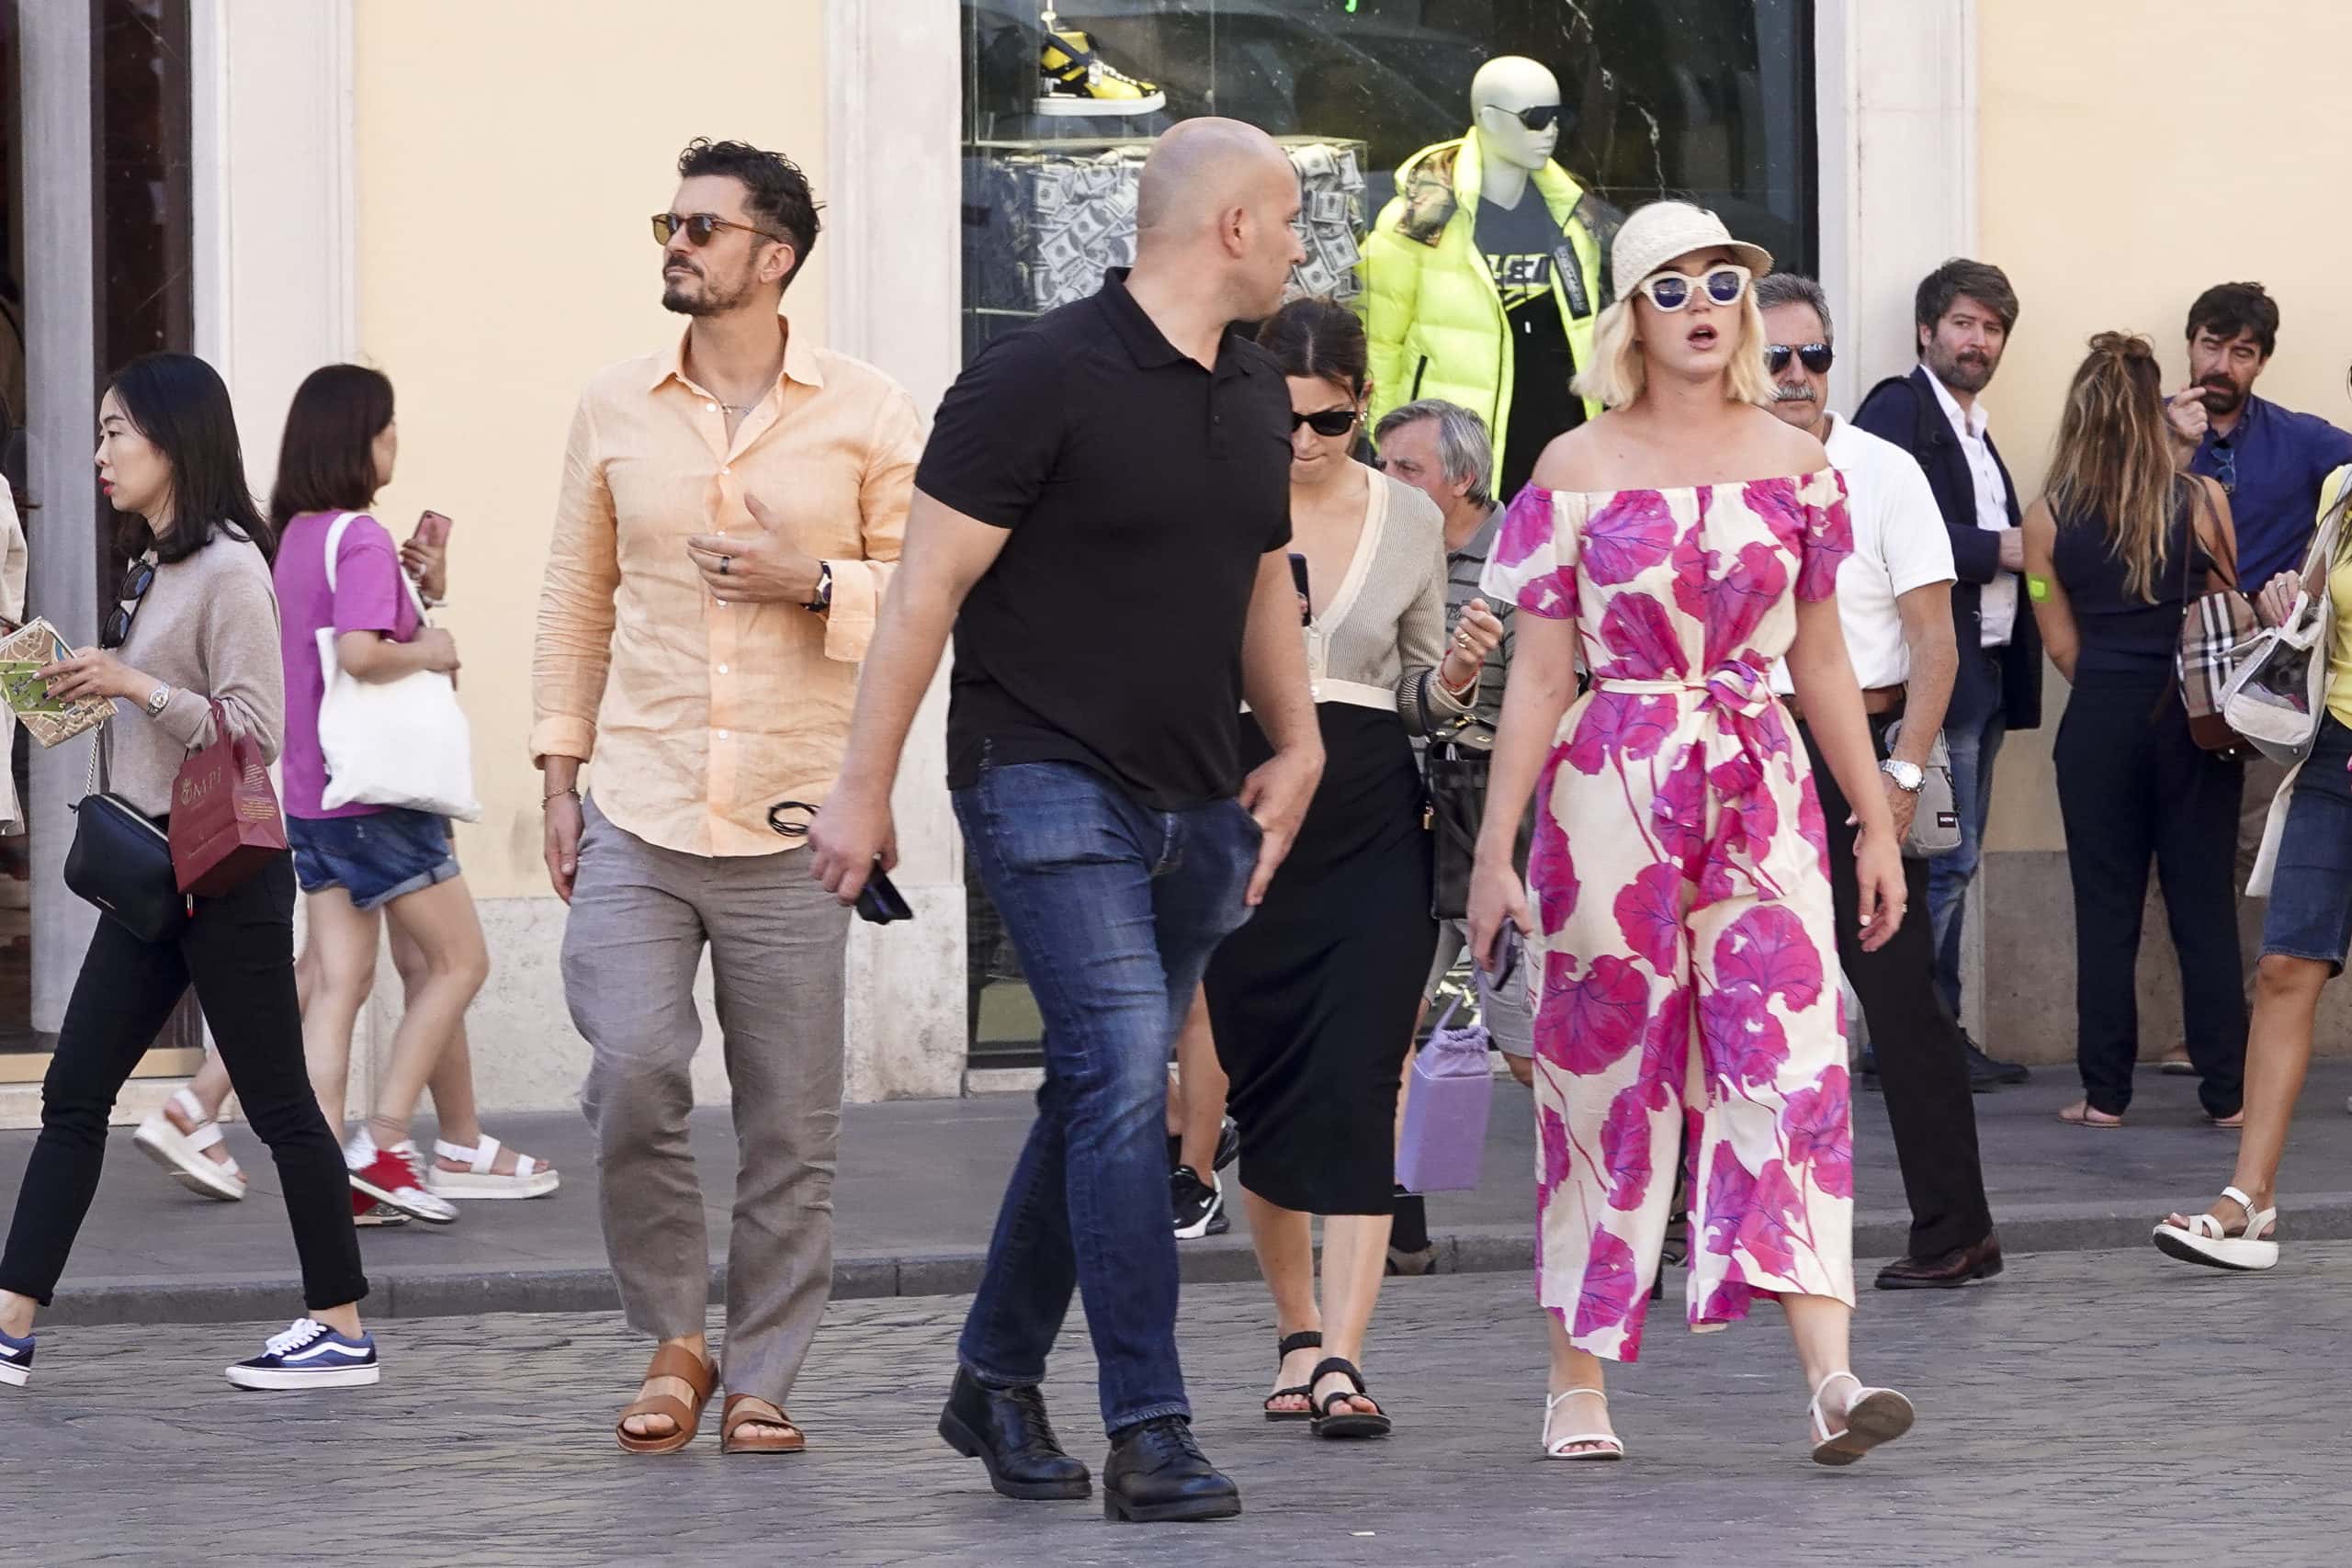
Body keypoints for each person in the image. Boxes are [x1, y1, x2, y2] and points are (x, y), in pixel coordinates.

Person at [809, 118, 1321, 1523]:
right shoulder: (1035, 377)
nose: (1297, 244)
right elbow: (922, 594)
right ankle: (1150, 1426)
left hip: (1195, 795)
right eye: (1285, 219)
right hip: (1040, 775)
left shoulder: (1261, 390)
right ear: (1228, 227)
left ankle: (991, 1377)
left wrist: (1299, 735)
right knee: (1121, 1069)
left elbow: (1260, 576)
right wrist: (865, 785)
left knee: (1092, 1084)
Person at [1468, 201, 1915, 1466]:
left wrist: (1874, 820)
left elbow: (1824, 658)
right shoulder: (1571, 467)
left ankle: (1831, 1375)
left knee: (1792, 1061)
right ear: (1628, 315)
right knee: (1602, 1076)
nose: (1707, 302)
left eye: (1725, 281)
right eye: (1673, 287)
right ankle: (1578, 1385)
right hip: (1610, 782)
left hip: (1761, 779)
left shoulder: (1797, 459)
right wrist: (1495, 853)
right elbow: (1539, 683)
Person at [534, 139, 920, 1456]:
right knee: (635, 1069)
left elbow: (926, 601)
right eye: (670, 221)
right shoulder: (612, 404)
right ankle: (673, 1333)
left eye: (703, 226)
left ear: (775, 255)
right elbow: (574, 597)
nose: (676, 244)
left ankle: (761, 1368)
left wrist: (808, 580)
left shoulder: (868, 410)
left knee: (787, 1123)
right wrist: (556, 768)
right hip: (638, 800)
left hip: (796, 821)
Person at [0, 353, 375, 1391]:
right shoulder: (151, 565)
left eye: (118, 430)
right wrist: (51, 675)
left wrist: (134, 683)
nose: (100, 451)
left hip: (226, 878)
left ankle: (339, 1326)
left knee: (280, 1106)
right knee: (74, 1096)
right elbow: (132, 713)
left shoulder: (230, 570)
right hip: (149, 880)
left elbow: (254, 733)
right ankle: (10, 1322)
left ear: (176, 441)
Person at [131, 365, 535, 1227]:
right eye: (387, 429)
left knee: (334, 979)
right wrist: (436, 645)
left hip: (313, 793)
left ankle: (314, 1166)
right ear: (361, 438)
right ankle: (385, 1144)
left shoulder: (296, 537)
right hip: (377, 802)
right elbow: (359, 654)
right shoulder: (356, 537)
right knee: (461, 962)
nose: (395, 445)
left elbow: (330, 650)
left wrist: (422, 585)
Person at [1201, 301, 1493, 1438]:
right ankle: (1293, 1332)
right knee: (1267, 1079)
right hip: (1241, 794)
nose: (1303, 441)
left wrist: (1461, 677)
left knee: (1365, 1076)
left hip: (1372, 803)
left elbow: (1421, 698)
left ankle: (1345, 1358)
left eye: (1325, 420)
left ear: (1361, 405)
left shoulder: (1411, 517)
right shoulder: (1214, 498)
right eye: (1282, 418)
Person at [1755, 273, 1999, 1288]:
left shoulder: (1884, 470)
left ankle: (1956, 1229)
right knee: (1735, 994)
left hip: (1856, 748)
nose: (1800, 376)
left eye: (1815, 356)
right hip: (1741, 750)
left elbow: (1934, 645)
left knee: (1898, 998)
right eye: (1777, 358)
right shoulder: (1710, 472)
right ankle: (1716, 1223)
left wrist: (1896, 776)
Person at [2023, 335, 2247, 1130]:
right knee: (2204, 908)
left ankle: (2104, 1096)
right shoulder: (2202, 501)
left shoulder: (2046, 521)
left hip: (2099, 725)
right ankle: (2229, 1096)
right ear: (2153, 414)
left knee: (2105, 909)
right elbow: (2228, 607)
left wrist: (2112, 678)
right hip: (2194, 724)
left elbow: (2057, 635)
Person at [2154, 453, 2350, 1270]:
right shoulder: (2345, 487)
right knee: (2283, 967)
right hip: (2337, 751)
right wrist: (2289, 596)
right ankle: (2250, 1198)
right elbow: (2317, 605)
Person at [1854, 260, 2034, 1089]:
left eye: (1992, 328)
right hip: (1940, 679)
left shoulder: (1972, 427)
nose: (1977, 340)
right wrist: (1994, 548)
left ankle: (1930, 1031)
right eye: (1963, 323)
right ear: (1927, 330)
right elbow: (1878, 524)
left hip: (1985, 677)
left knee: (1951, 861)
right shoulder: (1899, 407)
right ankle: (1912, 1038)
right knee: (1938, 863)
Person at [2162, 283, 2352, 1072]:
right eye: (2213, 344)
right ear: (2191, 345)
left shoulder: (2306, 441)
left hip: (2271, 683)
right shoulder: (2153, 435)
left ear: (2262, 361)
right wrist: (2167, 448)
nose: (2224, 364)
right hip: (2168, 675)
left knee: (2251, 849)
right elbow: (2097, 526)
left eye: (2242, 351)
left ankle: (2244, 1027)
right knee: (2175, 854)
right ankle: (2202, 1030)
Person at [1375, 397, 1534, 1088]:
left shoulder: (1522, 562)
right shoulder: (1383, 554)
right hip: (1401, 822)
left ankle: (1623, 1184)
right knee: (1381, 1033)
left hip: (1495, 826)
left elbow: (1552, 702)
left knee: (1532, 1052)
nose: (1382, 480)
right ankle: (1392, 1198)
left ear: (1461, 479)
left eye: (1404, 468)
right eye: (1379, 464)